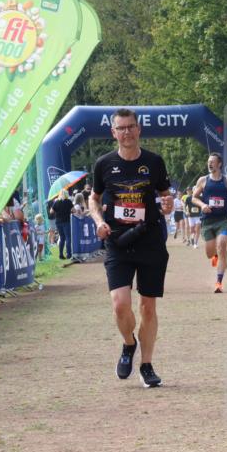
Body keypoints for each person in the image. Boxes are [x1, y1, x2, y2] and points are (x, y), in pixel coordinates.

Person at [89, 108, 173, 388]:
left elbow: (165, 195)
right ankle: (128, 343)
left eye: (130, 127)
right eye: (121, 128)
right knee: (120, 304)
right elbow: (94, 198)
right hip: (117, 241)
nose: (126, 132)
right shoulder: (103, 164)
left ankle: (147, 365)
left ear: (139, 130)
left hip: (149, 239)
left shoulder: (154, 162)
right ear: (113, 133)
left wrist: (168, 204)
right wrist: (99, 221)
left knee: (148, 306)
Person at [191, 153, 227, 293]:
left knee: (222, 244)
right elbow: (194, 198)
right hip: (208, 221)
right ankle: (216, 256)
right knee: (210, 253)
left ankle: (219, 282)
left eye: (212, 161)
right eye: (208, 161)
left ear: (219, 164)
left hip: (223, 220)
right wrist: (202, 205)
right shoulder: (203, 180)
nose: (209, 163)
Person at [49, 189, 73, 259]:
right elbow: (73, 210)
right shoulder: (69, 201)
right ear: (66, 194)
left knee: (62, 238)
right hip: (66, 221)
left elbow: (51, 212)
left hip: (58, 222)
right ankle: (69, 254)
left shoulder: (56, 202)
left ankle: (61, 254)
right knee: (68, 237)